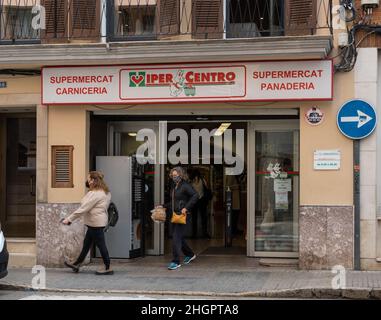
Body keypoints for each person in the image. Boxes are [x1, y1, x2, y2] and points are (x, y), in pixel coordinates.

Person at [62, 171, 113, 275]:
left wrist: (69, 219)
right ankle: (77, 264)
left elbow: (83, 208)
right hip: (96, 222)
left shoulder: (95, 194)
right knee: (87, 244)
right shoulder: (105, 192)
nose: (87, 180)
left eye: (88, 179)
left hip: (96, 223)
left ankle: (108, 267)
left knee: (101, 245)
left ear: (93, 180)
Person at [163, 167, 199, 270]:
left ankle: (175, 261)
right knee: (178, 237)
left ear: (181, 175)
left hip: (183, 215)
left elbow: (195, 195)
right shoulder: (175, 186)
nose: (174, 177)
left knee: (175, 237)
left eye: (176, 176)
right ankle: (190, 254)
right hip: (175, 215)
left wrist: (186, 208)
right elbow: (174, 202)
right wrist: (163, 206)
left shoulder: (185, 186)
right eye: (172, 176)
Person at [190, 170, 210, 239]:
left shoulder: (191, 181)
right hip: (202, 201)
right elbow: (207, 188)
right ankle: (205, 233)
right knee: (203, 218)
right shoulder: (202, 180)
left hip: (194, 201)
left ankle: (194, 234)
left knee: (194, 219)